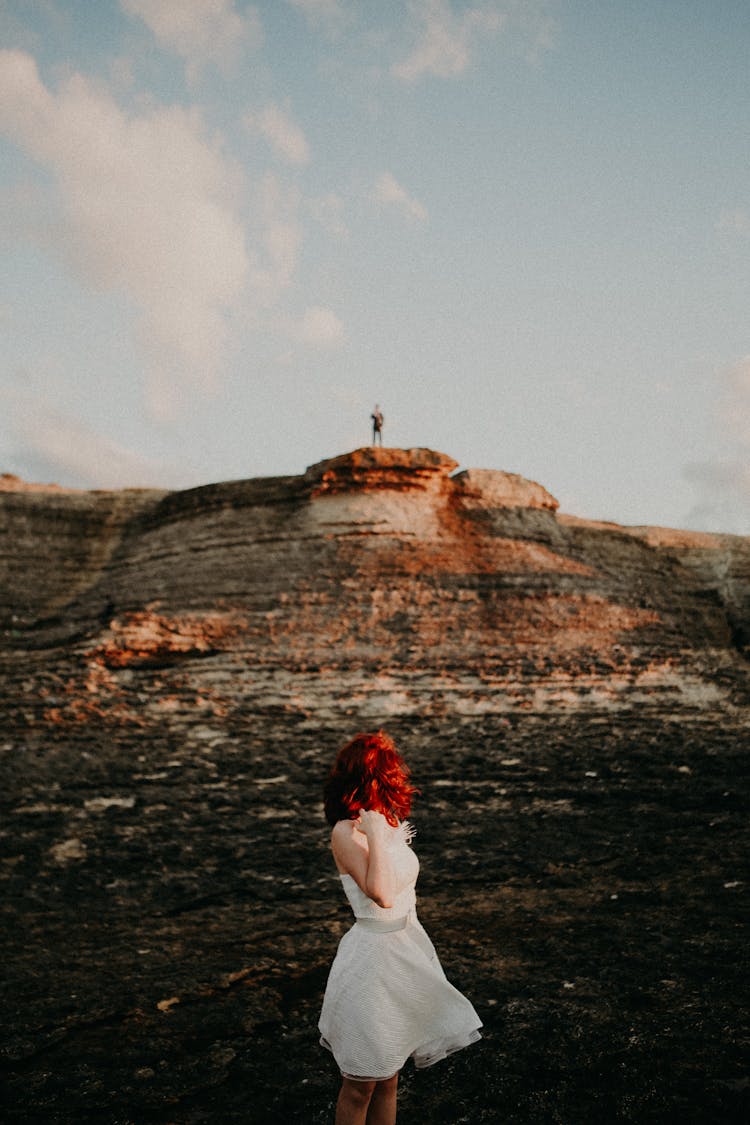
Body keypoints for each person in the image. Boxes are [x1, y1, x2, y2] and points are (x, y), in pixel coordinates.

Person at [319, 731, 482, 1124]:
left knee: (389, 1078)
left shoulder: (389, 821)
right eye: (390, 772)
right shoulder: (346, 832)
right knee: (360, 1084)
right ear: (373, 777)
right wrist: (373, 835)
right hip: (370, 962)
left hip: (403, 953)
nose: (398, 778)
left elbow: (406, 893)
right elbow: (382, 894)